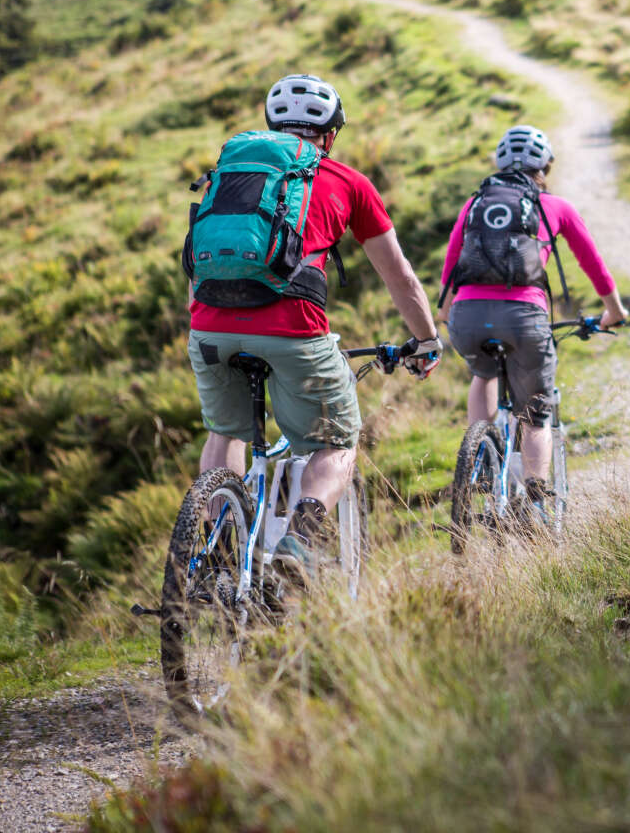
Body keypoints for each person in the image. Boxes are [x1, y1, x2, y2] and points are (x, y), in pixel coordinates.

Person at [186, 73, 442, 575]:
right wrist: (427, 338)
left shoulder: (230, 174)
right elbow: (399, 276)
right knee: (335, 443)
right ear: (330, 133)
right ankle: (298, 543)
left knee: (224, 434)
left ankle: (220, 550)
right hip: (293, 330)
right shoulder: (347, 182)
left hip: (210, 325)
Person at [438, 124, 627, 499]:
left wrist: (446, 314)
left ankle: (478, 456)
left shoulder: (475, 203)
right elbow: (594, 265)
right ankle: (536, 487)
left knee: (483, 371)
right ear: (544, 168)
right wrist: (614, 312)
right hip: (524, 317)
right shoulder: (554, 206)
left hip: (468, 316)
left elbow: (450, 270)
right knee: (534, 415)